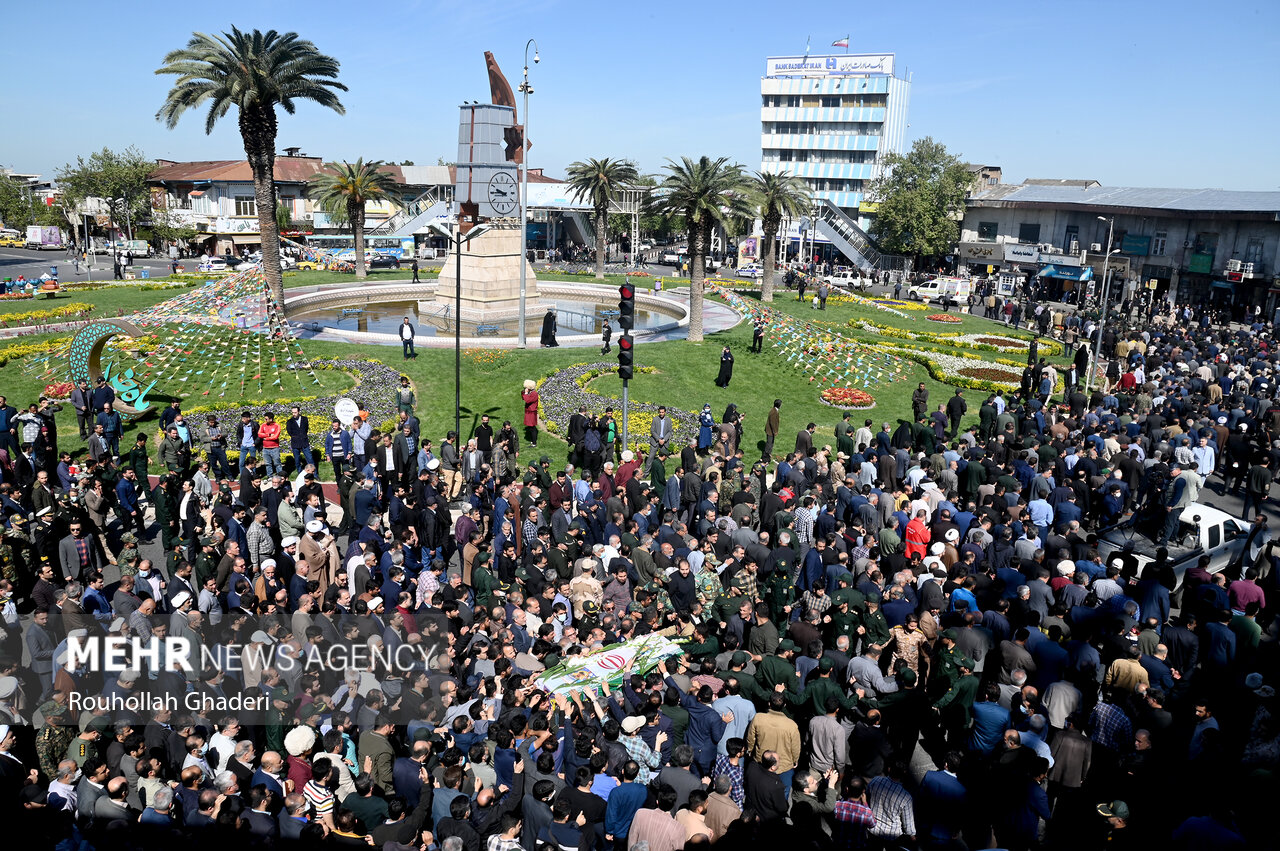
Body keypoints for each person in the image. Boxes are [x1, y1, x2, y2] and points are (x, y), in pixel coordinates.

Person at [522, 380, 540, 448]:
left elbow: (528, 400)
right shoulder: (531, 392)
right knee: (531, 427)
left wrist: (526, 393)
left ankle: (534, 443)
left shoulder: (534, 394)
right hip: (529, 411)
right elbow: (523, 397)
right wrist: (524, 393)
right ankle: (533, 441)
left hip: (531, 412)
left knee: (532, 427)